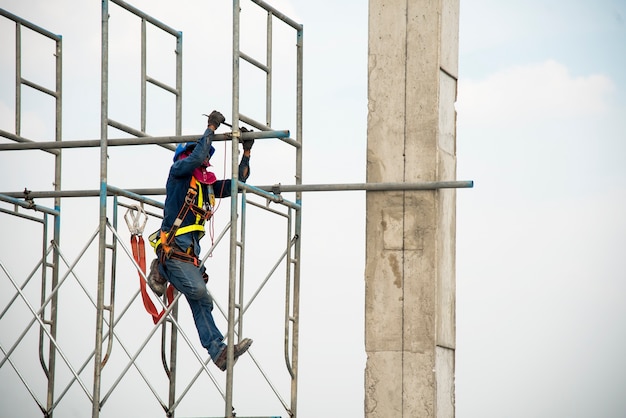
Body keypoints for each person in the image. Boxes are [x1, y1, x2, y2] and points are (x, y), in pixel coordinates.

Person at [148, 110, 254, 371]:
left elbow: (238, 183)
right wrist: (211, 127)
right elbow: (195, 156)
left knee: (203, 301)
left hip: (190, 255)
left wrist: (247, 152)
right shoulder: (179, 173)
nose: (205, 159)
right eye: (202, 154)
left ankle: (219, 352)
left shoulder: (204, 186)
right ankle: (160, 268)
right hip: (173, 252)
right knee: (197, 291)